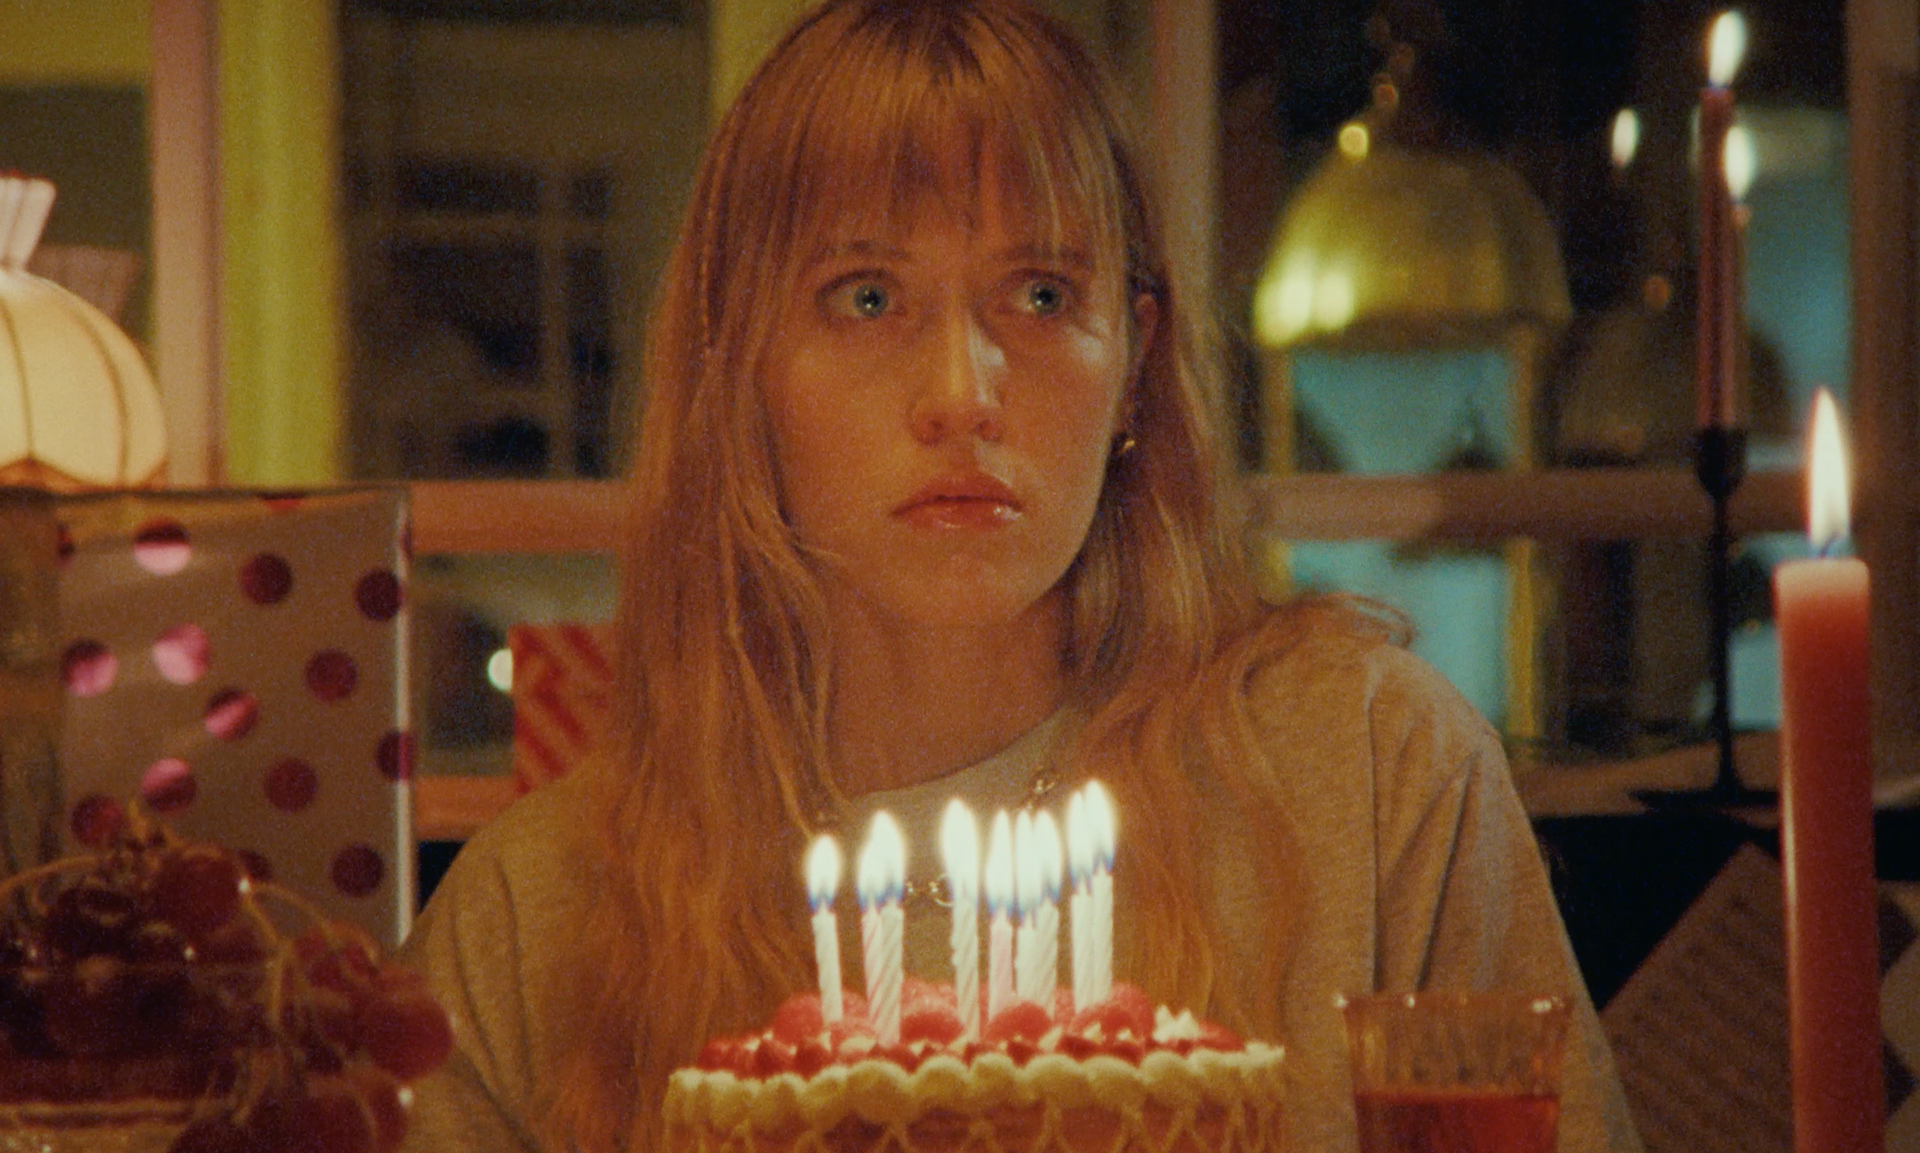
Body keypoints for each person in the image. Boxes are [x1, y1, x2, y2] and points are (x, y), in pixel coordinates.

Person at [398, 2, 1645, 1152]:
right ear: (743, 371)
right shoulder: (537, 918)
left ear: (1134, 362)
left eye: (1041, 294)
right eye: (867, 297)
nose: (963, 394)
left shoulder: (1373, 779)